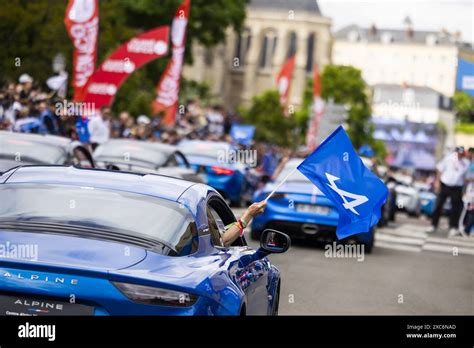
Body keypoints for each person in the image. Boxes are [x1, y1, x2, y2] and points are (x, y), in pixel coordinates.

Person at [427, 147, 470, 237]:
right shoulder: (449, 158)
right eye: (459, 153)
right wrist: (437, 182)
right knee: (438, 205)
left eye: (462, 154)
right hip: (445, 184)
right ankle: (433, 225)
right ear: (456, 152)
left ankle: (453, 227)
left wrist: (465, 191)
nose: (460, 156)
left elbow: (466, 178)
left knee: (455, 208)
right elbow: (440, 169)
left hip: (457, 187)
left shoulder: (466, 163)